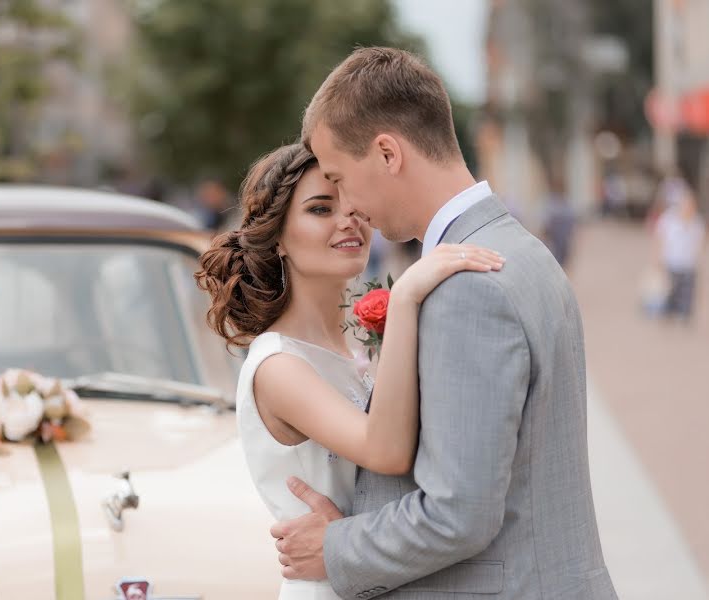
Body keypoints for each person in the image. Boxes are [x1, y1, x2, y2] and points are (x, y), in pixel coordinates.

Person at [270, 47, 617, 599]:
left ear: (387, 153)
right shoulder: (520, 249)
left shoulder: (466, 286)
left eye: (340, 178)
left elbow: (459, 513)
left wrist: (333, 548)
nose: (349, 206)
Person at [195, 143, 503, 600]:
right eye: (321, 208)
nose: (349, 221)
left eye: (354, 206)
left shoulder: (362, 338)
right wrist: (406, 298)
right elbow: (386, 450)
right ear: (277, 236)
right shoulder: (277, 366)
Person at [655, 186, 705, 322]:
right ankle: (668, 314)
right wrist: (657, 259)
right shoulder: (669, 219)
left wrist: (699, 260)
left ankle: (683, 316)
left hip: (689, 264)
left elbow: (700, 243)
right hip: (673, 262)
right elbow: (660, 239)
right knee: (671, 292)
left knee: (687, 295)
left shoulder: (697, 222)